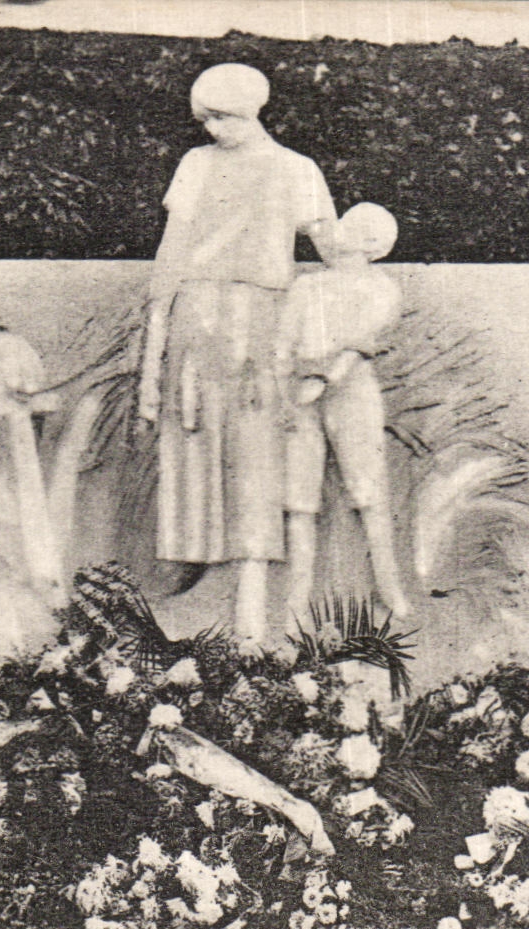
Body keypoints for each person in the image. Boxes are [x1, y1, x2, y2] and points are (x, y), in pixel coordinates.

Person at [139, 63, 338, 644]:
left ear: (252, 110)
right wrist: (154, 348)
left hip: (261, 323)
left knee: (254, 458)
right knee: (196, 452)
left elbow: (333, 249)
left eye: (221, 117)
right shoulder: (196, 165)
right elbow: (172, 252)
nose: (211, 129)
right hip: (197, 319)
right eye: (205, 119)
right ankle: (205, 598)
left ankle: (252, 615)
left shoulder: (298, 170)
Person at [278, 202, 412, 629]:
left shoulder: (382, 289)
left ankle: (390, 589)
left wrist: (323, 378)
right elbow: (282, 344)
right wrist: (288, 392)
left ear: (374, 244)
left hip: (351, 393)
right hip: (300, 394)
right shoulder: (306, 287)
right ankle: (296, 600)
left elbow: (360, 343)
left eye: (353, 227)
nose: (339, 232)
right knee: (300, 499)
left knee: (368, 491)